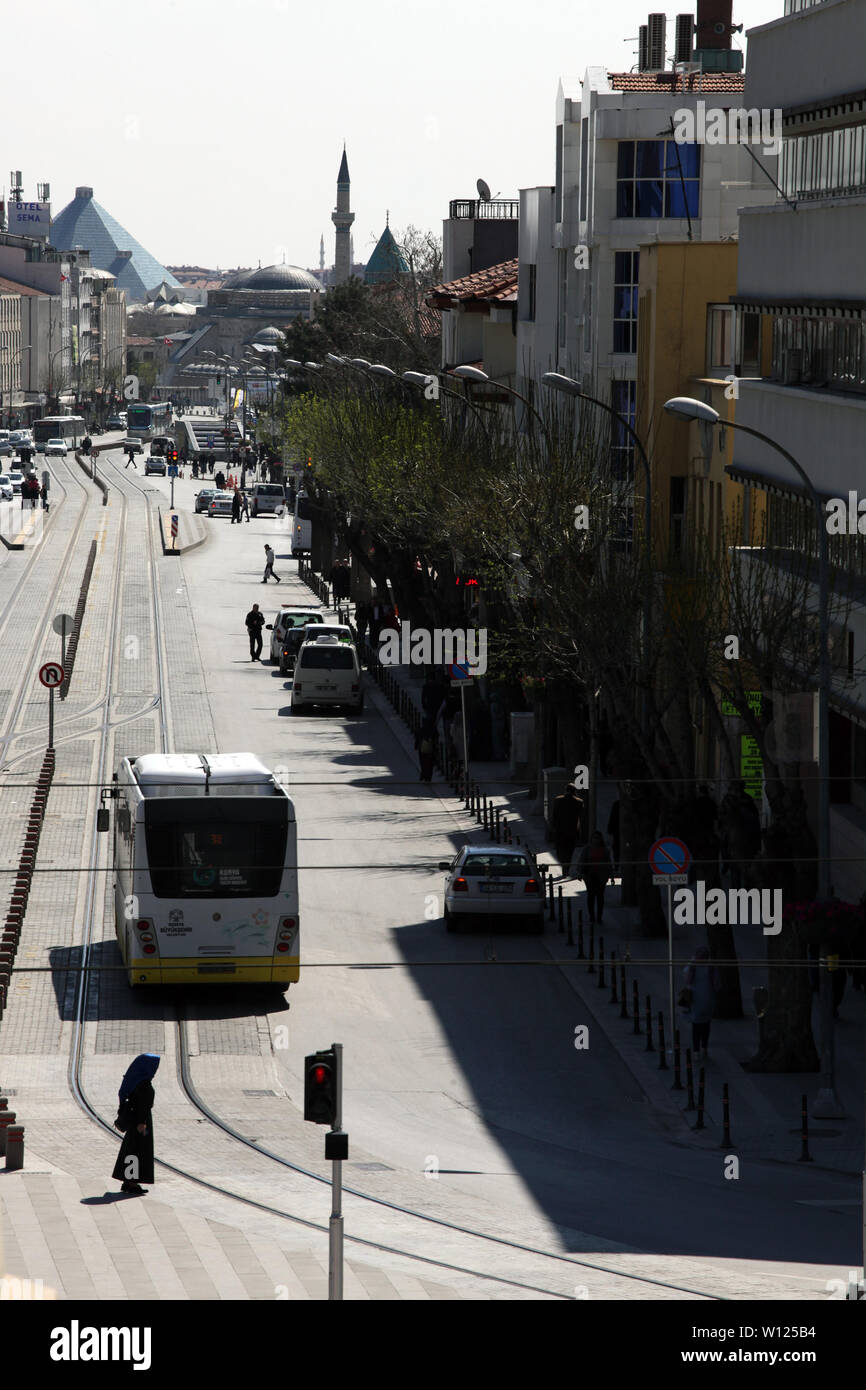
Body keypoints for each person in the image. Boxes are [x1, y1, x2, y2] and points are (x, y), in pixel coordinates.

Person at [112, 1053, 160, 1196]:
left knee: (131, 1149)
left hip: (135, 1121)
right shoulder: (144, 1085)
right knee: (138, 1151)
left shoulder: (136, 1081)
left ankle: (128, 1181)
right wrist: (142, 1124)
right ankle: (132, 1183)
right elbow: (142, 1106)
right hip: (141, 1122)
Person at [719, 780, 761, 888]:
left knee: (725, 842)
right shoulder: (739, 799)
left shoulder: (735, 799)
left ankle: (726, 863)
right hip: (744, 833)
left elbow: (723, 816)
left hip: (742, 834)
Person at [682, 947, 721, 1061]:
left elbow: (687, 980)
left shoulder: (692, 966)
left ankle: (696, 1050)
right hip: (708, 998)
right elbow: (717, 984)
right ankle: (704, 1047)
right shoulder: (711, 967)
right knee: (705, 1026)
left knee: (696, 1027)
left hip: (695, 999)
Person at [579, 830, 613, 924]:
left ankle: (599, 916)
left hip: (601, 876)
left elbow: (608, 863)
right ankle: (591, 916)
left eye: (597, 838)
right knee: (591, 896)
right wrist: (580, 872)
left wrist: (611, 876)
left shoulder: (605, 850)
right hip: (589, 875)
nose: (596, 840)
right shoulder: (587, 849)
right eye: (594, 838)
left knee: (600, 896)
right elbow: (582, 861)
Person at [551, 783, 584, 876]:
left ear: (566, 790)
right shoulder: (579, 801)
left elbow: (554, 815)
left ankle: (563, 865)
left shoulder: (558, 800)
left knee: (560, 850)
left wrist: (553, 827)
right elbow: (581, 817)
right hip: (572, 831)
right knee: (569, 851)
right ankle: (566, 868)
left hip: (560, 831)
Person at [414, 718, 436, 782]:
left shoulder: (421, 730)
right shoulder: (433, 730)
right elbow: (436, 739)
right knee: (430, 764)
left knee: (423, 763)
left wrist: (416, 745)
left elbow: (417, 738)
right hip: (431, 749)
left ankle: (424, 774)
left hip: (422, 749)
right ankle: (428, 777)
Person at [607, 799, 620, 875]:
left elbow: (613, 817)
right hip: (618, 831)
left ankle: (617, 865)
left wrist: (610, 829)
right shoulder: (617, 804)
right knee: (617, 849)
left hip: (617, 831)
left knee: (616, 849)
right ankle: (617, 865)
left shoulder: (617, 804)